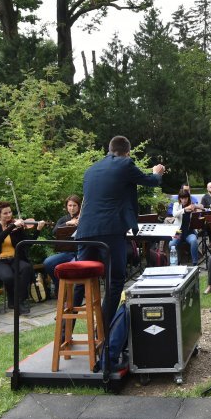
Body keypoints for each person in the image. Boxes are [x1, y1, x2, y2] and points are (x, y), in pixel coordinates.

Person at [76, 135, 165, 328]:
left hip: (84, 230)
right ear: (128, 152)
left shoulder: (91, 170)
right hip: (110, 230)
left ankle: (65, 332)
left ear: (109, 150)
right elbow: (150, 181)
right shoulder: (125, 164)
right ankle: (104, 331)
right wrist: (157, 172)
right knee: (115, 279)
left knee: (80, 279)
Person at [0, 202, 46, 315]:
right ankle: (12, 301)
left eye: (10, 212)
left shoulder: (17, 228)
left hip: (14, 259)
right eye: (5, 213)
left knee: (26, 268)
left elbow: (28, 243)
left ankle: (21, 302)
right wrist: (12, 226)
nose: (9, 215)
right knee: (9, 277)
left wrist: (38, 230)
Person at [42, 195, 81, 299]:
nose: (72, 208)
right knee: (48, 262)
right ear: (66, 206)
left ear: (79, 206)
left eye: (74, 205)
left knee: (72, 268)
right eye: (70, 205)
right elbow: (55, 231)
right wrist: (68, 223)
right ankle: (59, 284)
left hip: (81, 252)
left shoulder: (84, 217)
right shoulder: (63, 219)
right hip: (66, 253)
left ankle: (75, 294)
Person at [171, 189, 202, 265]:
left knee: (194, 240)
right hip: (179, 232)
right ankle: (176, 263)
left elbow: (202, 208)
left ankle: (195, 263)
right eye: (182, 198)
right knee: (172, 244)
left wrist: (197, 209)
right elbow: (174, 214)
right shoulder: (177, 205)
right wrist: (184, 209)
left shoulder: (192, 205)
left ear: (188, 198)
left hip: (189, 232)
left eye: (186, 198)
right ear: (180, 199)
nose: (184, 200)